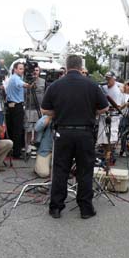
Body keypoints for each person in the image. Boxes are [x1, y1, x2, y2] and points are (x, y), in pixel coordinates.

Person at [41, 54, 108, 219]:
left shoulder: (55, 86)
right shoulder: (92, 85)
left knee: (60, 170)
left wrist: (59, 112)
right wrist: (90, 110)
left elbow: (45, 110)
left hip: (63, 132)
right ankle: (85, 209)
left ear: (66, 66)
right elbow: (104, 108)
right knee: (84, 171)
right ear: (81, 67)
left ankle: (56, 207)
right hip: (85, 133)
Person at [96, 71, 125, 156]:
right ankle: (106, 155)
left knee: (111, 138)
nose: (107, 80)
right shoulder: (103, 88)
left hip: (113, 117)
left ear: (114, 79)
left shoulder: (117, 90)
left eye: (109, 78)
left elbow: (118, 107)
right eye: (106, 78)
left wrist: (107, 108)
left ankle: (109, 156)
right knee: (103, 139)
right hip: (103, 116)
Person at [6, 62, 31, 158]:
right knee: (18, 130)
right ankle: (16, 153)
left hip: (13, 106)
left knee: (15, 129)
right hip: (16, 106)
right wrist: (29, 85)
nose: (22, 70)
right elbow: (22, 84)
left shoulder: (16, 77)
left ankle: (14, 150)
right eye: (20, 68)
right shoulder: (15, 78)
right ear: (15, 69)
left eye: (23, 68)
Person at [24, 66, 46, 158]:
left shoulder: (43, 82)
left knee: (38, 128)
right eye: (34, 70)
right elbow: (24, 93)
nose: (35, 72)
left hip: (39, 108)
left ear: (39, 72)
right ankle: (27, 147)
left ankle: (36, 146)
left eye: (37, 70)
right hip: (29, 107)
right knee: (28, 129)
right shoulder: (26, 81)